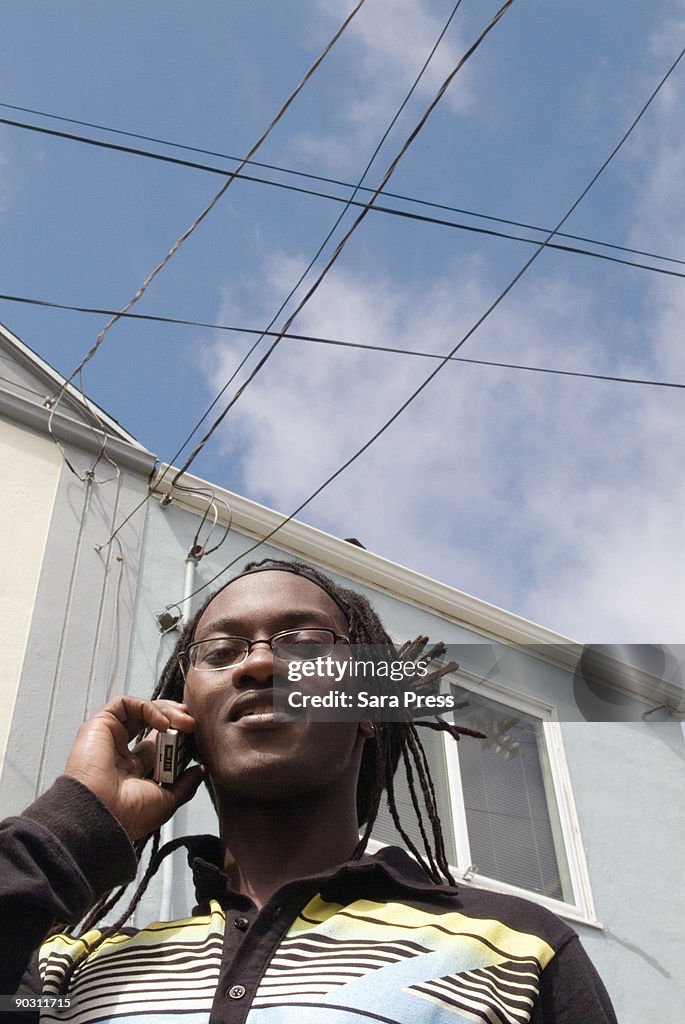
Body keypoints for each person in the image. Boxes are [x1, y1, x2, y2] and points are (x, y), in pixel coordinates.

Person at [0, 558, 618, 1023]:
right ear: (180, 714)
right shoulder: (65, 966)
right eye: (220, 651)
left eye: (305, 642)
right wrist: (74, 824)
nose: (259, 664)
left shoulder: (516, 950)